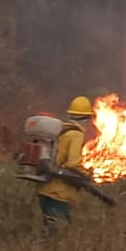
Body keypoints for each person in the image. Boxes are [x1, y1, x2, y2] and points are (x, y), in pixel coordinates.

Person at [36, 96, 94, 231]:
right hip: (60, 193)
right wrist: (87, 175)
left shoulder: (59, 130)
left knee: (49, 227)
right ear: (87, 118)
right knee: (59, 231)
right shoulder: (76, 134)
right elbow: (72, 164)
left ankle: (42, 249)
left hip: (44, 188)